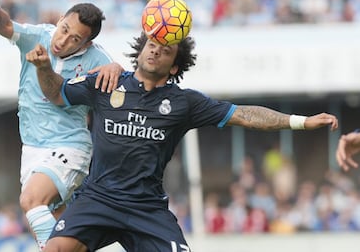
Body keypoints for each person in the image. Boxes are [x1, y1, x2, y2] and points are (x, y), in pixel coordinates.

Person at [27, 32, 338, 252]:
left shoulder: (184, 103)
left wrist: (301, 121)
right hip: (97, 199)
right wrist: (43, 68)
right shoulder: (105, 83)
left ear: (174, 67)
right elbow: (58, 93)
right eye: (152, 44)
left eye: (165, 50)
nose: (155, 51)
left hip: (145, 208)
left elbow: (244, 114)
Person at [0, 0, 122, 251]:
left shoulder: (97, 58)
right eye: (64, 28)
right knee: (62, 231)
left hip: (69, 146)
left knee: (31, 200)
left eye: (74, 39)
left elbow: (121, 81)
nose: (63, 40)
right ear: (60, 20)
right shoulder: (37, 36)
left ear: (86, 44)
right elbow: (4, 25)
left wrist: (116, 68)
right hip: (31, 148)